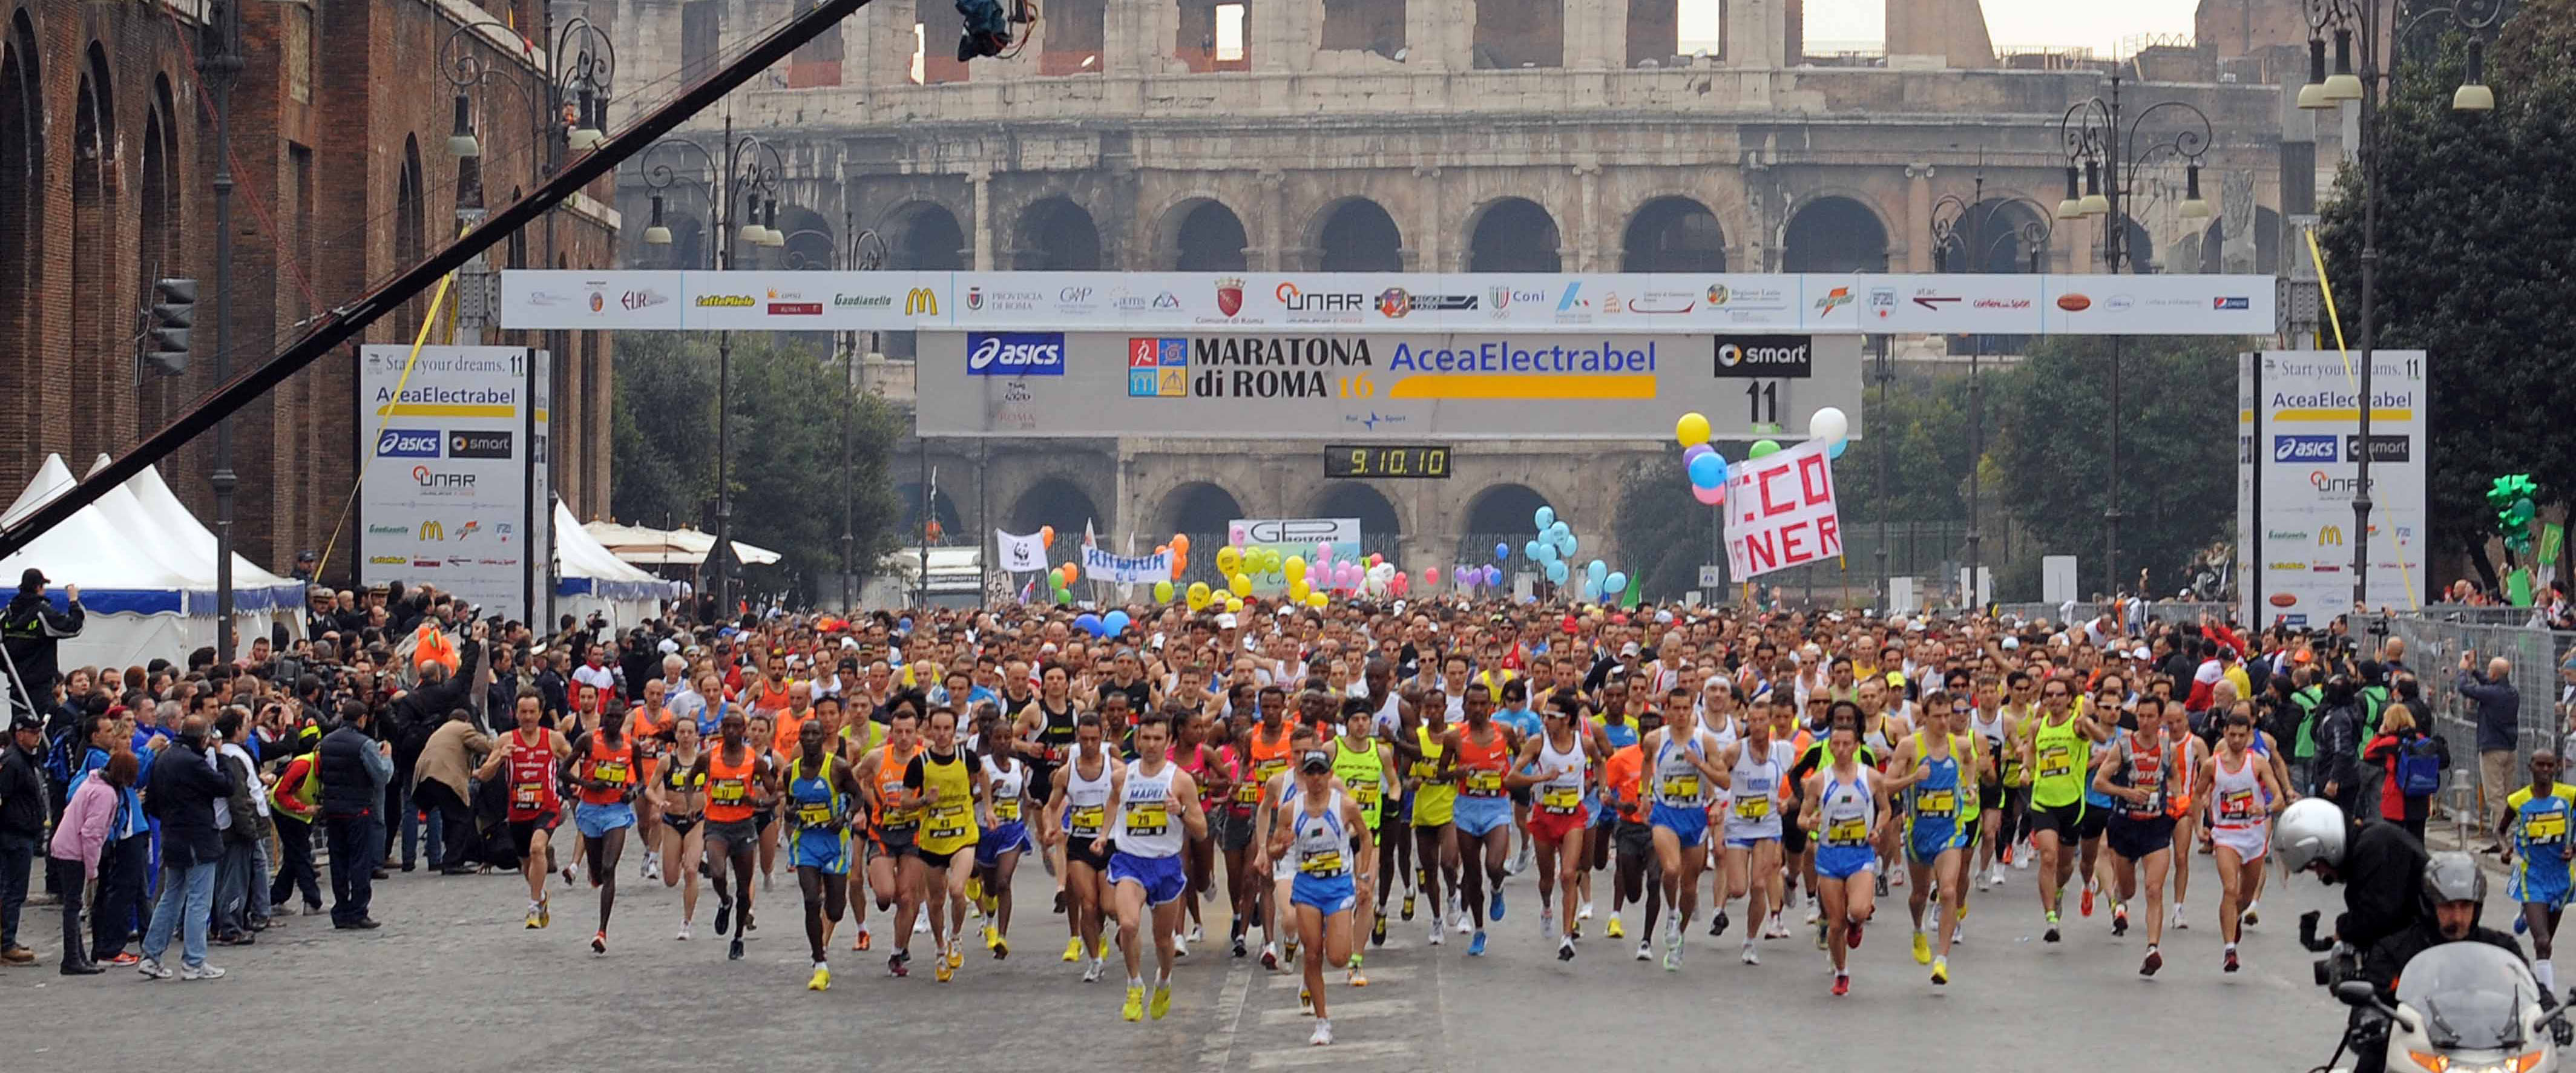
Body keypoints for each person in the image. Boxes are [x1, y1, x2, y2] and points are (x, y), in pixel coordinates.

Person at [1105, 711, 1208, 1022]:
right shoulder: (1122, 776)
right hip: (1130, 862)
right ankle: (1135, 984)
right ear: (1137, 740)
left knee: (1164, 940)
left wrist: (1182, 810)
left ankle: (1163, 980)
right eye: (1145, 738)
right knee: (1128, 925)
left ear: (1169, 742)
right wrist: (1103, 833)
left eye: (1157, 739)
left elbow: (1201, 830)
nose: (1151, 745)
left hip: (1165, 866)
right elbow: (1113, 801)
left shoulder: (1180, 780)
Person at [1273, 746, 1368, 1046]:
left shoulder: (1346, 806)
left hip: (1338, 884)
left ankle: (1331, 932)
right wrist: (1281, 845)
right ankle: (1322, 1020)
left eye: (1320, 773)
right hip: (1307, 885)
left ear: (1329, 775)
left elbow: (1366, 837)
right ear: (1303, 775)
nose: (1315, 779)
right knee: (1312, 953)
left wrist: (1363, 876)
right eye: (1310, 773)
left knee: (1338, 958)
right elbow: (1275, 846)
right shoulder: (1291, 808)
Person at [1884, 689, 1977, 983]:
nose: (1944, 722)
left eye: (1948, 716)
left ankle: (1942, 960)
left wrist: (1971, 788)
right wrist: (1913, 778)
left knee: (1948, 890)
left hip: (1949, 831)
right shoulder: (1910, 747)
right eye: (1937, 716)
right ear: (1925, 716)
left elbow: (1970, 763)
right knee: (1919, 895)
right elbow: (1885, 787)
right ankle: (1918, 930)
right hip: (1918, 833)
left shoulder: (1960, 745)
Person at [2092, 695, 2183, 976]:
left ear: (2160, 720)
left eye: (2150, 717)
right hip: (2125, 825)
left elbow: (2175, 778)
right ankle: (2119, 900)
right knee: (2129, 889)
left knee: (2154, 889)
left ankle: (2153, 949)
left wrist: (2178, 800)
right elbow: (2099, 783)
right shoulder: (2123, 747)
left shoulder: (2169, 749)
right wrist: (2127, 793)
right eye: (2140, 716)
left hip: (2156, 825)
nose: (2144, 722)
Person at [138, 714, 233, 980]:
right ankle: (194, 961)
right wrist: (220, 755)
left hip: (172, 834)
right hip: (198, 835)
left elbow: (152, 803)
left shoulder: (164, 757)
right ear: (204, 738)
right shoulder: (194, 762)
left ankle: (152, 955)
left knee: (172, 895)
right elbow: (226, 786)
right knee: (198, 900)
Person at [2276, 796, 2434, 956]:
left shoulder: (2373, 849)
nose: (2319, 874)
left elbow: (2375, 917)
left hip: (2427, 943)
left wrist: (2344, 929)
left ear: (2328, 847)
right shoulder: (2367, 845)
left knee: (2377, 970)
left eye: (2316, 865)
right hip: (2417, 937)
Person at [1800, 712, 1888, 997]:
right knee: (1835, 922)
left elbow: (1886, 809)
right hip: (1829, 855)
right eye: (1835, 744)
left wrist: (1878, 828)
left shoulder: (1871, 777)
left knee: (1859, 910)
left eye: (1846, 744)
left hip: (1859, 853)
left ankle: (1857, 924)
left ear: (1856, 746)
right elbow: (1802, 817)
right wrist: (1809, 822)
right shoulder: (1818, 781)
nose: (1840, 749)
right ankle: (1841, 972)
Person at [903, 706, 990, 982]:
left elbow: (983, 777)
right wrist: (924, 802)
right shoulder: (920, 763)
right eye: (937, 729)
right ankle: (941, 948)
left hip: (963, 834)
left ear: (955, 731)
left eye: (947, 730)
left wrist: (987, 808)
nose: (942, 735)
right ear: (929, 730)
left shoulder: (966, 756)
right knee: (936, 900)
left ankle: (956, 938)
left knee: (956, 890)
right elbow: (904, 802)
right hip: (932, 840)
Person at [475, 691, 572, 934]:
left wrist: (576, 784)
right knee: (528, 867)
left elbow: (573, 759)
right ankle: (540, 897)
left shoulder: (553, 739)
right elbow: (484, 775)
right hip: (518, 813)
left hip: (548, 808)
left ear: (541, 713)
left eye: (532, 712)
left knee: (538, 848)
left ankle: (533, 907)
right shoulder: (507, 739)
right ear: (516, 713)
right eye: (523, 712)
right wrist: (499, 759)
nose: (528, 717)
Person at [782, 717, 864, 990]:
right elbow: (790, 805)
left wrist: (846, 816)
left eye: (815, 734)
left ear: (822, 737)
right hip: (806, 842)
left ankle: (825, 943)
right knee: (810, 899)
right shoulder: (790, 771)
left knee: (835, 909)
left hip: (834, 843)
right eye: (805, 734)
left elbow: (858, 796)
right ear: (800, 740)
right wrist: (790, 813)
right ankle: (819, 963)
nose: (810, 739)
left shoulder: (838, 768)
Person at [564, 704, 645, 954]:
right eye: (609, 716)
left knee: (610, 869)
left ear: (624, 720)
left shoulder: (633, 746)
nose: (613, 721)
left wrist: (632, 794)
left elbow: (641, 782)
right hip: (590, 810)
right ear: (602, 717)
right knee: (598, 871)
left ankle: (601, 932)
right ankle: (593, 872)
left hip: (616, 812)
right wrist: (587, 783)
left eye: (618, 717)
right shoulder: (588, 740)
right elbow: (562, 771)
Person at [46, 748, 133, 974]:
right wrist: (92, 869)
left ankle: (78, 957)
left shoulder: (94, 782)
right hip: (74, 850)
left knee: (72, 905)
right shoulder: (106, 794)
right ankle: (72, 959)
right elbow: (92, 834)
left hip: (66, 844)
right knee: (73, 906)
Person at [1042, 712, 1114, 979]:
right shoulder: (1066, 773)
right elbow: (1051, 807)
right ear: (1077, 739)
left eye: (1094, 739)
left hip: (1110, 844)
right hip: (1081, 845)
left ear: (1102, 737)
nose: (1090, 744)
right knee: (1088, 903)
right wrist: (1051, 826)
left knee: (1110, 906)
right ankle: (1094, 961)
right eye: (1084, 739)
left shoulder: (1115, 770)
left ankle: (1105, 929)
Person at [2499, 750, 2576, 993]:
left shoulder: (2569, 796)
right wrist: (2505, 849)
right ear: (2530, 767)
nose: (2545, 770)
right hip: (2532, 877)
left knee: (2547, 942)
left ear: (2556, 769)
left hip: (2561, 878)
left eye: (2549, 766)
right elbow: (2500, 830)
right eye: (2540, 765)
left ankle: (2525, 916)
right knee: (2541, 943)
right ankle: (2547, 999)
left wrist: (2574, 848)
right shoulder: (2518, 800)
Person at [316, 698, 393, 931]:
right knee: (360, 860)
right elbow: (382, 776)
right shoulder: (365, 744)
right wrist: (387, 757)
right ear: (361, 719)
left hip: (333, 808)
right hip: (358, 807)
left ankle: (341, 910)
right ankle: (359, 910)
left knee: (339, 861)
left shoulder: (326, 743)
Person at [971, 707, 1031, 960]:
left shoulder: (1018, 766)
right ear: (991, 740)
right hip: (985, 831)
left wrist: (1032, 805)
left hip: (1011, 831)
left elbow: (1024, 797)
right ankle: (989, 914)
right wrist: (987, 793)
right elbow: (968, 797)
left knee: (1004, 882)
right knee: (991, 885)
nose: (1004, 742)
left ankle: (1002, 937)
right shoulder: (979, 765)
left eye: (1008, 737)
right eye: (999, 738)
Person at [413, 709, 494, 874]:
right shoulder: (462, 728)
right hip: (444, 777)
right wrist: (501, 745)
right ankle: (453, 861)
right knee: (462, 818)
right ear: (466, 720)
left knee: (449, 817)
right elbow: (485, 745)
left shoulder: (443, 730)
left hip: (426, 776)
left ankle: (448, 858)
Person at [647, 718, 708, 939]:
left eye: (690, 732)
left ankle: (687, 922)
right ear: (676, 735)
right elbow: (649, 790)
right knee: (671, 879)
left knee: (691, 871)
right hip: (672, 822)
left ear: (697, 736)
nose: (685, 737)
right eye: (681, 732)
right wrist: (658, 802)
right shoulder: (666, 761)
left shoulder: (705, 761)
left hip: (697, 821)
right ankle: (689, 858)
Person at [2457, 651, 2520, 850]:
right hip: (2510, 748)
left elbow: (2464, 688)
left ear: (2494, 675)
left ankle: (2504, 837)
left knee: (2495, 797)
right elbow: (2488, 683)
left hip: (2492, 749)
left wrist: (2462, 671)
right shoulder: (2511, 692)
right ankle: (2498, 836)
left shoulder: (2491, 694)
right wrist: (2474, 670)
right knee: (2505, 795)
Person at [0, 711, 46, 965]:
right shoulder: (13, 762)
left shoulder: (27, 759)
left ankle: (8, 939)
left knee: (14, 890)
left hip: (24, 832)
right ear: (19, 734)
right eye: (32, 732)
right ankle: (6, 943)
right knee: (13, 891)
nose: (37, 736)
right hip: (13, 834)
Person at [2362, 705, 2447, 841]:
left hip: (2396, 799)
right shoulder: (2421, 740)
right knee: (2417, 842)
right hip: (2420, 798)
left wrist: (2379, 735)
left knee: (2394, 843)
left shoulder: (2391, 742)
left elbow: (2368, 754)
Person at [1, 571, 80, 717]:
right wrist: (74, 601)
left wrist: (11, 670)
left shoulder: (7, 614)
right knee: (40, 728)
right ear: (38, 587)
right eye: (43, 586)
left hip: (17, 685)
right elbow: (74, 627)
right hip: (40, 686)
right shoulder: (42, 612)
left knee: (20, 727)